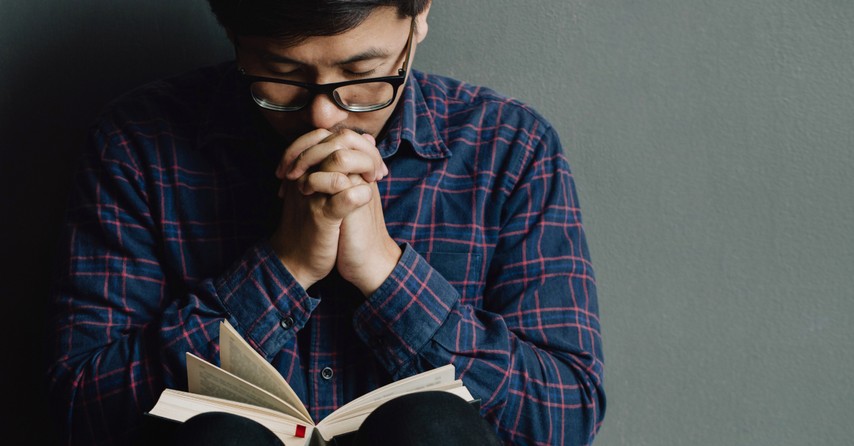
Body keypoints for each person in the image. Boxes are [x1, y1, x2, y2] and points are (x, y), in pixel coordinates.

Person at [45, 1, 605, 445]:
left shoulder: (509, 147)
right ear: (235, 38)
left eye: (362, 74)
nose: (324, 115)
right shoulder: (138, 143)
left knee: (432, 424)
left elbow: (563, 418)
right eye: (282, 75)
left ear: (419, 17)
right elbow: (84, 414)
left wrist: (386, 274)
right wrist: (284, 267)